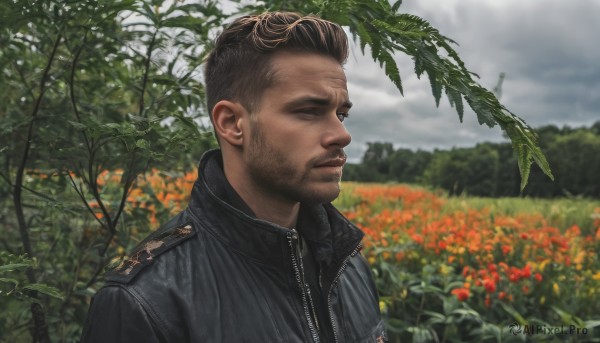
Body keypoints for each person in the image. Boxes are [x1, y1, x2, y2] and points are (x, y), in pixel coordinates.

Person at [81, 11, 385, 343]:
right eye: (309, 111)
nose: (341, 135)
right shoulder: (147, 302)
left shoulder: (346, 263)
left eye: (341, 114)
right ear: (231, 123)